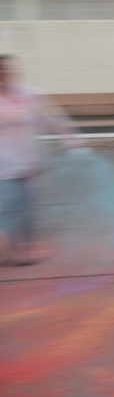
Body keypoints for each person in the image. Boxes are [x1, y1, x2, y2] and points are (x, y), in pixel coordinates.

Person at [0, 54, 82, 266]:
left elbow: (54, 119)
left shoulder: (30, 95)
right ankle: (9, 252)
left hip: (31, 164)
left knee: (29, 211)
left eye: (6, 69)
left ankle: (21, 248)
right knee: (8, 208)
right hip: (3, 168)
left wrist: (72, 142)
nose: (3, 73)